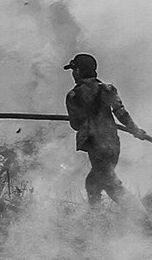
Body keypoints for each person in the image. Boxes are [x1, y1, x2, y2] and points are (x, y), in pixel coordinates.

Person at [63, 52, 147, 206]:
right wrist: (136, 130)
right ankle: (97, 220)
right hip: (112, 144)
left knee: (113, 188)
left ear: (79, 71)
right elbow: (121, 113)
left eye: (74, 70)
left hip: (96, 146)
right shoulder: (107, 89)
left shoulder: (73, 96)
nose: (73, 74)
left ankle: (147, 223)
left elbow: (75, 125)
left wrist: (85, 119)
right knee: (93, 183)